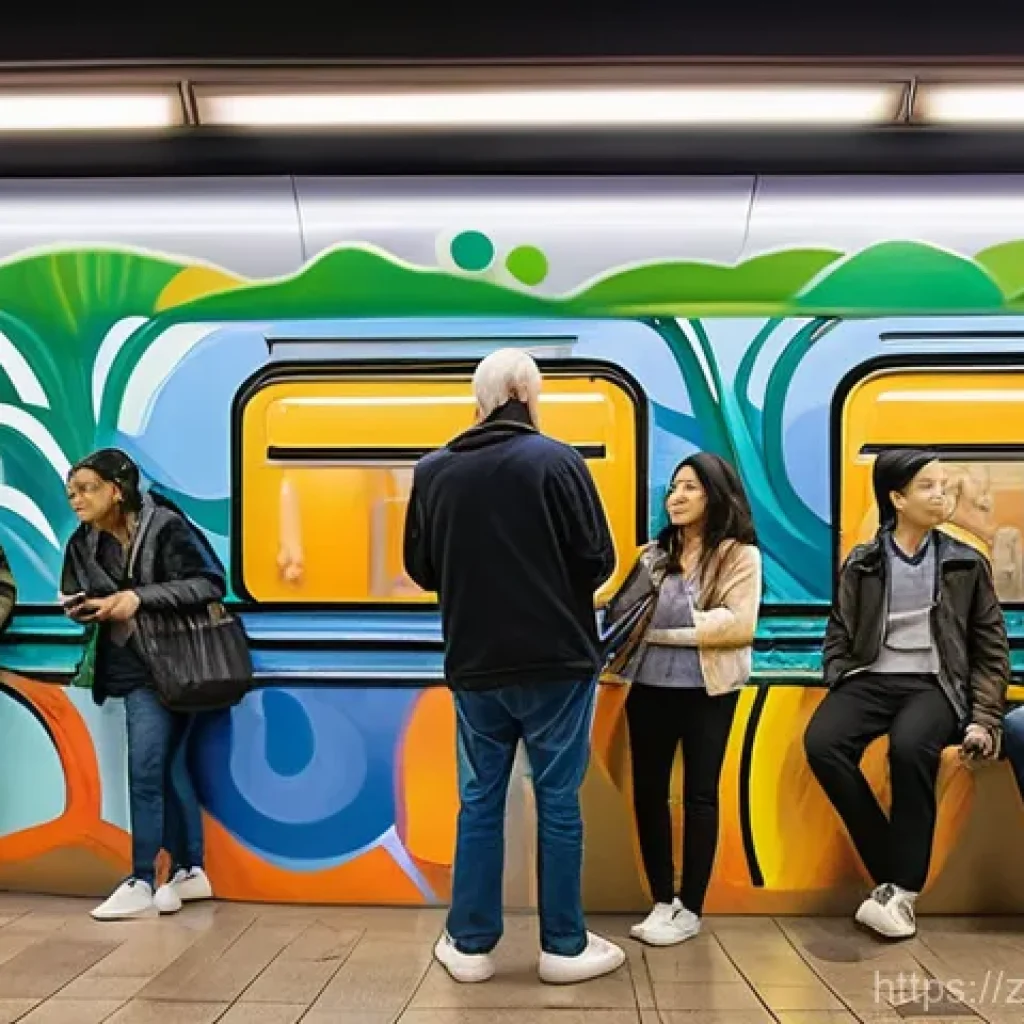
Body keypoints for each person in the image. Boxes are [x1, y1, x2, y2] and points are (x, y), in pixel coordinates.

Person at [403, 349, 625, 986]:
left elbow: (423, 571)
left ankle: (470, 945)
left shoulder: (433, 471)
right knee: (558, 801)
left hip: (474, 665)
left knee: (478, 802)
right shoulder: (558, 460)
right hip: (557, 661)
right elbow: (598, 561)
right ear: (527, 392)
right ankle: (563, 945)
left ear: (481, 399)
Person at [804, 448, 1008, 939]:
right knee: (823, 745)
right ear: (897, 498)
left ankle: (904, 892)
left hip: (935, 683)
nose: (941, 495)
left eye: (943, 485)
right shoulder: (864, 561)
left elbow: (990, 648)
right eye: (927, 487)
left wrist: (985, 718)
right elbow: (839, 629)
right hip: (871, 678)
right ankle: (892, 873)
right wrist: (840, 673)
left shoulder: (965, 563)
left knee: (910, 746)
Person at [602, 453, 761, 946]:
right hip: (648, 688)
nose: (677, 497)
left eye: (690, 487)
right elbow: (616, 607)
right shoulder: (653, 555)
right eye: (673, 488)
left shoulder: (740, 556)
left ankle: (691, 906)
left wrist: (667, 633)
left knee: (699, 795)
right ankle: (660, 900)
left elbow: (739, 625)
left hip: (709, 691)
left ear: (715, 494)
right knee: (648, 794)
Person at [61, 448, 224, 920]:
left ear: (117, 489)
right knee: (168, 767)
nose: (77, 499)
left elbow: (210, 583)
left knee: (148, 769)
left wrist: (137, 599)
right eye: (72, 491)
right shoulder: (82, 542)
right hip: (131, 668)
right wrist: (83, 606)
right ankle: (192, 870)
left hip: (181, 664)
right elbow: (74, 588)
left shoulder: (166, 527)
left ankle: (141, 878)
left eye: (87, 489)